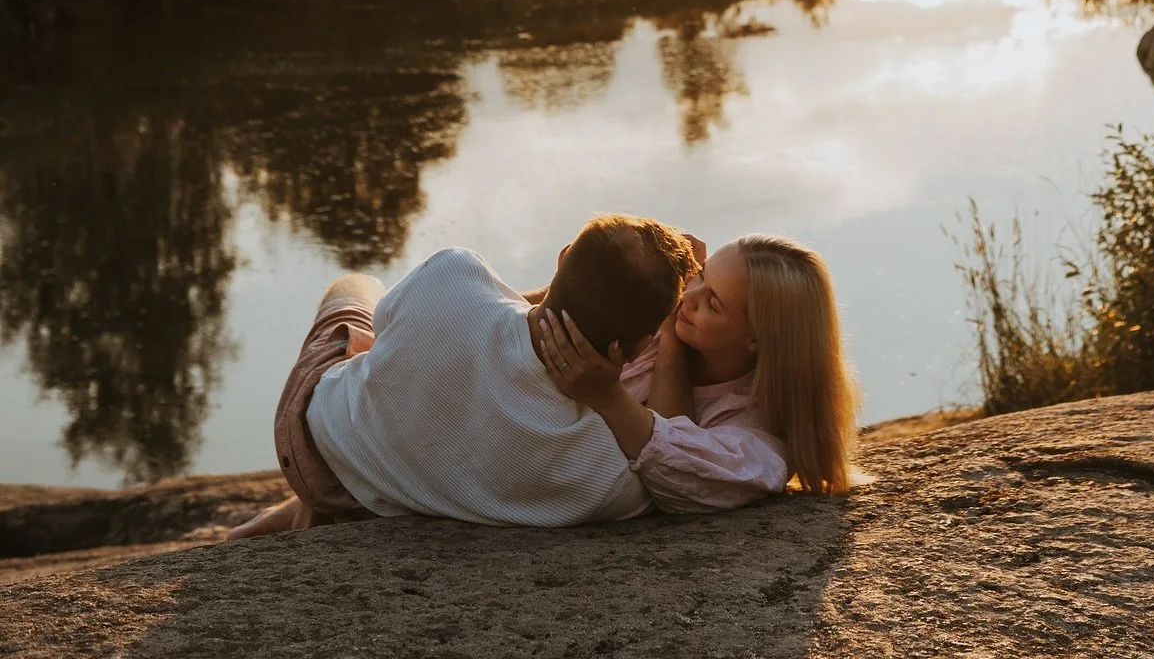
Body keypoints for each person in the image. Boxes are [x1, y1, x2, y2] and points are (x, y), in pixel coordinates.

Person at [227, 214, 697, 537]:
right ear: (638, 347)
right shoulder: (601, 472)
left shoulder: (453, 272)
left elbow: (385, 328)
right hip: (372, 496)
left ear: (562, 257)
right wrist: (671, 338)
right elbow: (670, 466)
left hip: (311, 439)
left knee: (358, 288)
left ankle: (267, 522)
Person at [535, 234, 859, 510]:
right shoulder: (665, 315)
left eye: (713, 303)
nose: (687, 296)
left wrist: (606, 394)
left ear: (755, 340)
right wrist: (575, 284)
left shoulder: (756, 441)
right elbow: (522, 316)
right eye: (701, 275)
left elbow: (676, 475)